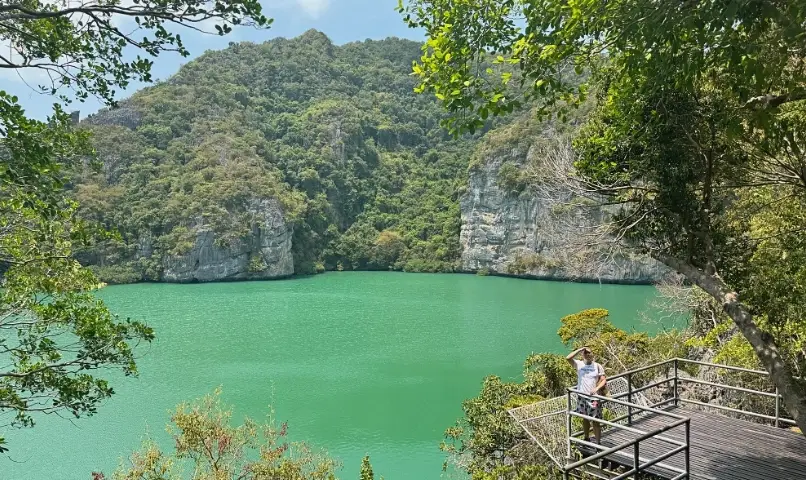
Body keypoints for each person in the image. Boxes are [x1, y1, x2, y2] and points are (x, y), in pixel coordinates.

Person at [566, 346, 607, 445]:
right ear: (582, 355)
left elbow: (603, 380)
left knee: (595, 421)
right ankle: (586, 438)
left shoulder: (597, 366)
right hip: (582, 396)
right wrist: (580, 349)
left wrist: (596, 388)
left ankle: (598, 444)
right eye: (586, 353)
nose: (588, 355)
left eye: (590, 353)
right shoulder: (579, 364)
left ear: (593, 354)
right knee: (584, 418)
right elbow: (568, 358)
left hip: (594, 398)